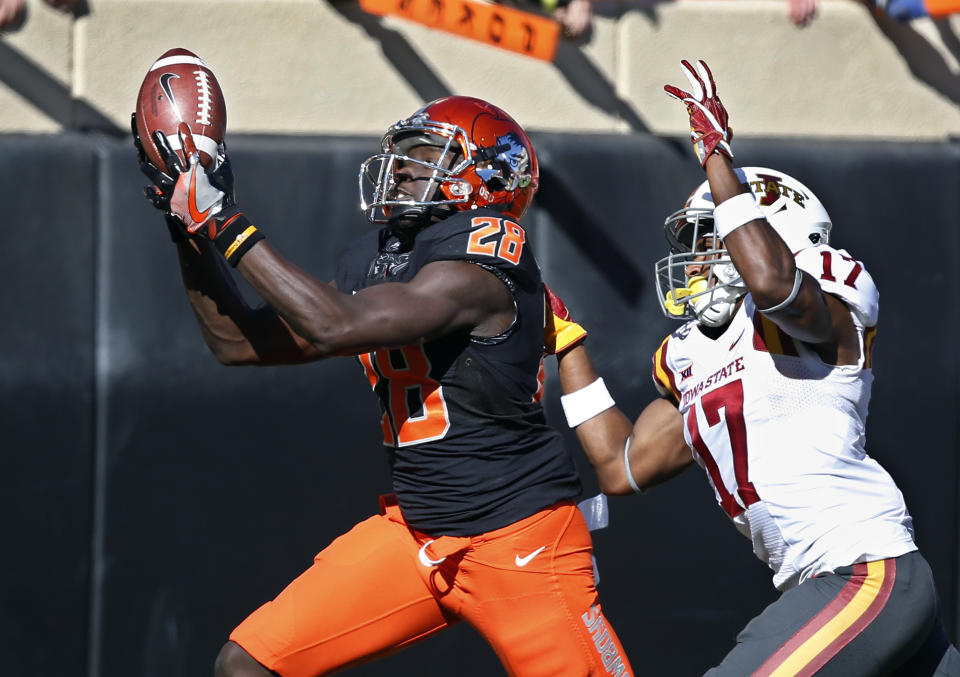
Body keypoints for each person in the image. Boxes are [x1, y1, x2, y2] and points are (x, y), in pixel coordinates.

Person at [131, 96, 634, 677]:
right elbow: (236, 344)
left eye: (427, 155)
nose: (402, 168)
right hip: (416, 531)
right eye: (400, 155)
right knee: (246, 666)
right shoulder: (385, 257)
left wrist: (221, 217)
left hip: (518, 540)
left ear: (488, 178)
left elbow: (335, 325)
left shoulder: (485, 264)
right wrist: (187, 233)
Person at [548, 59, 960, 675]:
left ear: (773, 228)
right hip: (822, 586)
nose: (692, 263)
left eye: (707, 240)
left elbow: (771, 284)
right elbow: (621, 465)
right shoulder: (693, 351)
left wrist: (717, 159)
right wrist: (567, 343)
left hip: (863, 573)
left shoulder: (824, 295)